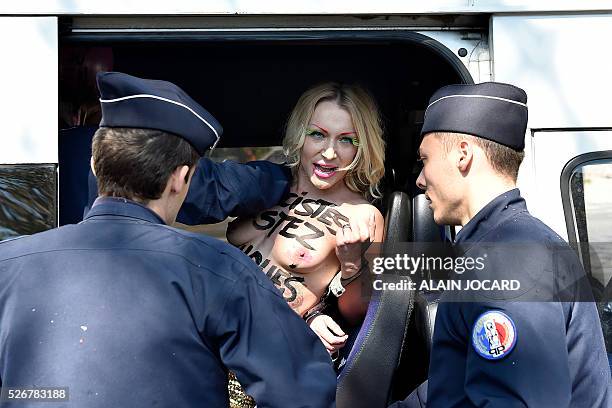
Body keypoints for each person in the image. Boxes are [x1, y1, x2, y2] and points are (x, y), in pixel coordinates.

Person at [0, 72, 336, 407]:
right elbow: (302, 394)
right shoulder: (217, 270)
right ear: (182, 178)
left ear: (93, 163)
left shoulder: (6, 266)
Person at [392, 82, 611, 407]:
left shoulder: (509, 260)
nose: (421, 179)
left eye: (425, 159)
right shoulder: (505, 246)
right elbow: (451, 385)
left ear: (462, 155)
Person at [227, 82, 386, 354]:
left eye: (346, 139)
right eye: (318, 135)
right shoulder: (267, 182)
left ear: (362, 148)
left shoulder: (362, 215)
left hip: (261, 356)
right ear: (300, 135)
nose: (329, 153)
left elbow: (359, 316)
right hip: (207, 333)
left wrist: (351, 266)